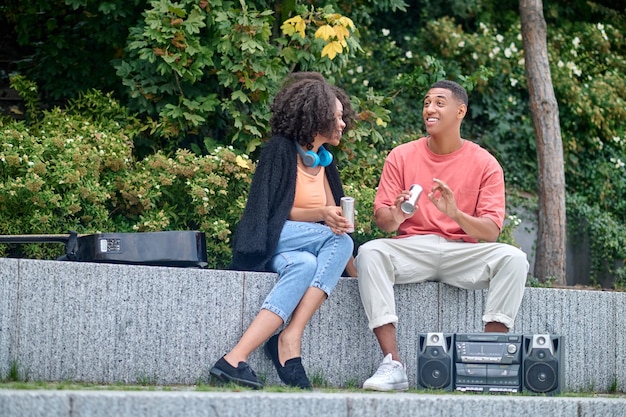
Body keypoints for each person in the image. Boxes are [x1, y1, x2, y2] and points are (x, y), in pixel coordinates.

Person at [354, 80, 529, 392]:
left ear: (460, 111)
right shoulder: (402, 155)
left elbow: (491, 231)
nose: (429, 109)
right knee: (370, 252)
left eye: (438, 102)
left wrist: (455, 214)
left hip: (462, 251)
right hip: (413, 249)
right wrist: (397, 214)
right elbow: (383, 222)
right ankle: (392, 364)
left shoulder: (485, 162)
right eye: (426, 103)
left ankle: (486, 362)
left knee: (514, 258)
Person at [209, 73, 357, 390]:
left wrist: (353, 267)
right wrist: (324, 217)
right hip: (270, 238)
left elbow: (331, 220)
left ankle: (233, 359)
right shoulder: (280, 150)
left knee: (306, 264)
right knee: (338, 240)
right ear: (317, 116)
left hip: (298, 250)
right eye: (337, 117)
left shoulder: (325, 162)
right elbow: (277, 212)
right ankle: (289, 339)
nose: (343, 123)